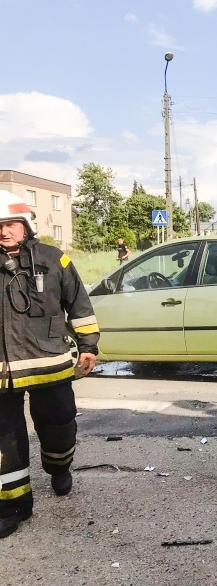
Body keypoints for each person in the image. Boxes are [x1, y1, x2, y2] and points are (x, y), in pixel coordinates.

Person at [0, 191, 100, 538]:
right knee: (5, 441)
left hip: (50, 364)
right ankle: (13, 506)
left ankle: (59, 467)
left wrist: (88, 345)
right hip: (3, 373)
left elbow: (79, 305)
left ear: (26, 225)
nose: (4, 231)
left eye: (10, 224)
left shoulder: (54, 259)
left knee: (59, 423)